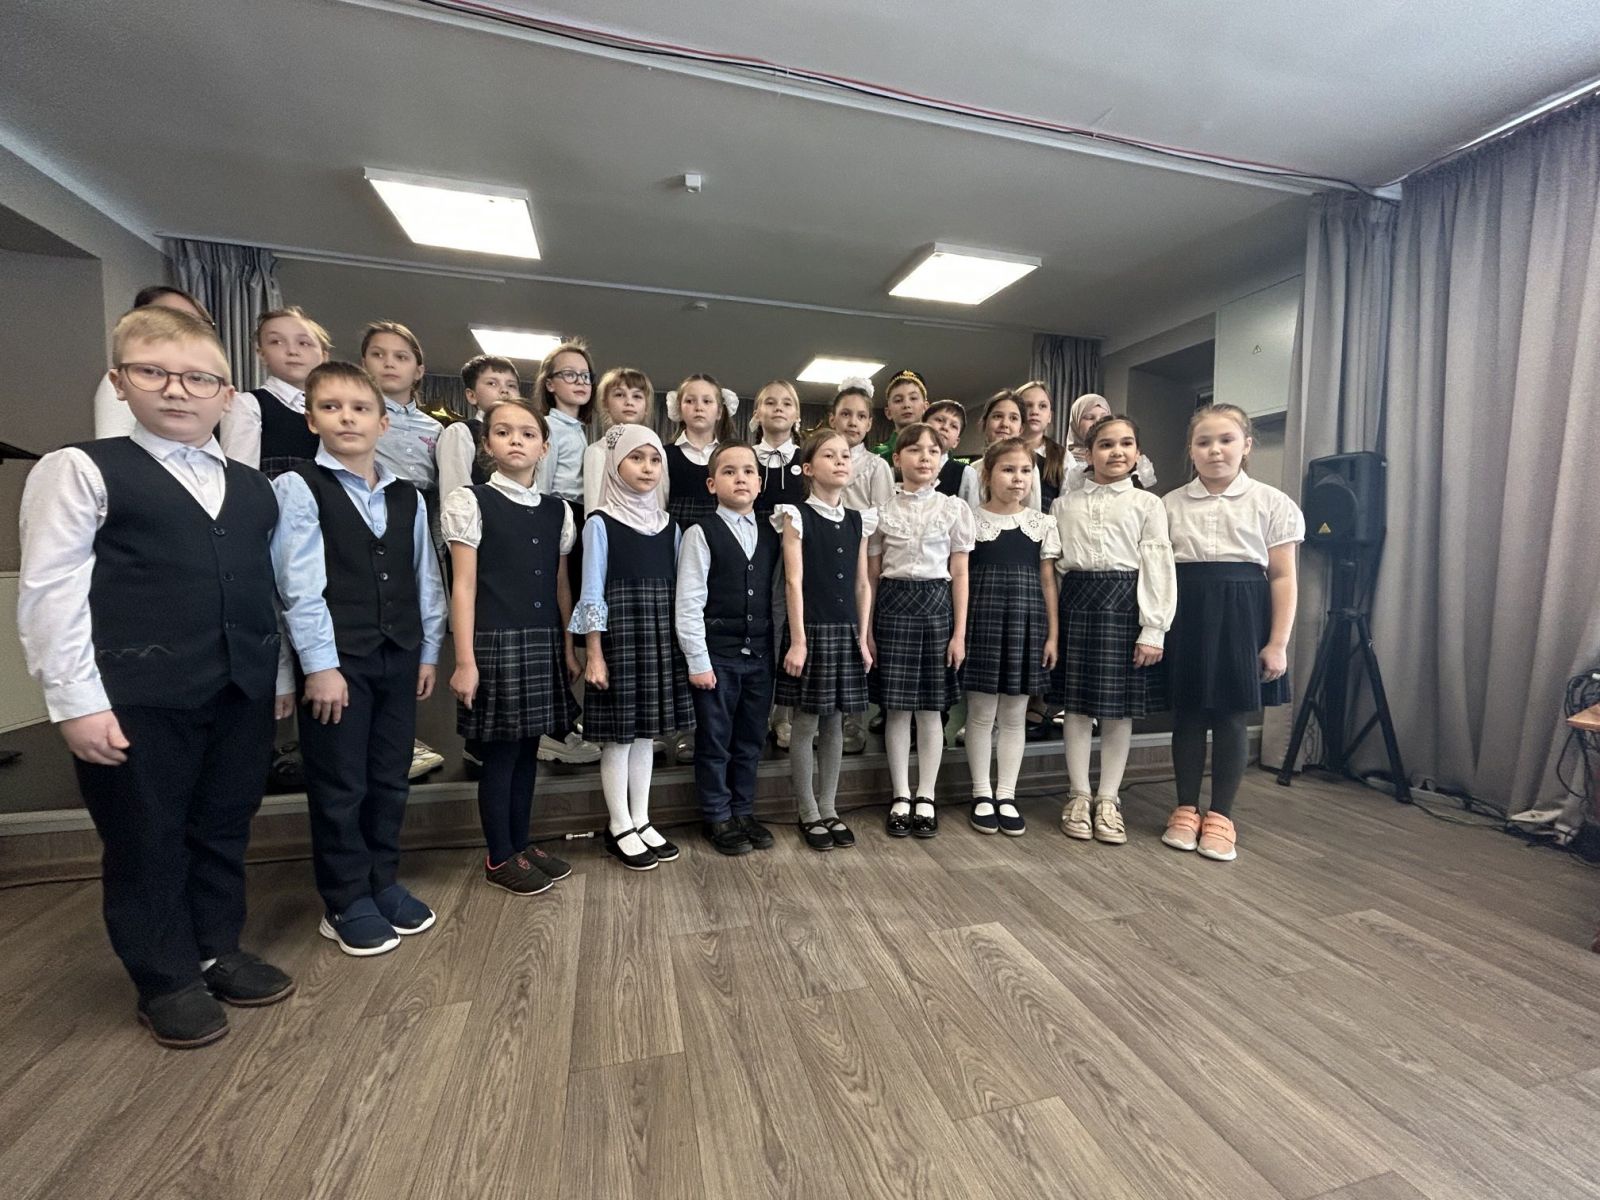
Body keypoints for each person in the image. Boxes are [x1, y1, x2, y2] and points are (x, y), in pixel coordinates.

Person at [21, 306, 295, 1046]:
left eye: (199, 379)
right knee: (146, 835)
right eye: (154, 373)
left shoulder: (253, 488)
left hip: (238, 689)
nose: (177, 390)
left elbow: (259, 591)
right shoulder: (80, 469)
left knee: (222, 825)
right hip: (135, 695)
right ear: (121, 381)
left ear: (226, 395)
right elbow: (51, 592)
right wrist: (73, 701)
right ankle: (165, 976)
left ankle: (216, 948)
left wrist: (274, 677)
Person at [272, 360, 446, 955]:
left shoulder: (408, 497)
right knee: (340, 783)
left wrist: (428, 651)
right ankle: (345, 897)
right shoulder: (298, 487)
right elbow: (297, 586)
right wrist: (319, 666)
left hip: (398, 653)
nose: (346, 418)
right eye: (331, 407)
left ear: (382, 422)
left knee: (390, 777)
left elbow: (425, 578)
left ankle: (382, 880)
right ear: (311, 418)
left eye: (360, 408)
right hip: (337, 662)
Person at [445, 398, 580, 894]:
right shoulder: (470, 501)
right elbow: (463, 587)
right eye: (503, 432)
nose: (516, 440)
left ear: (544, 447)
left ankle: (520, 843)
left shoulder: (557, 510)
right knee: (501, 755)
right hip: (496, 643)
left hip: (543, 640)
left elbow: (561, 586)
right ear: (487, 444)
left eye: (527, 433)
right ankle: (499, 856)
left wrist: (568, 647)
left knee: (528, 751)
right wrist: (465, 661)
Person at [1161, 403, 1302, 862]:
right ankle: (1185, 808)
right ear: (1191, 450)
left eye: (1226, 440)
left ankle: (1221, 814)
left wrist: (1277, 643)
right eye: (1203, 442)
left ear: (1246, 446)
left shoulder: (1272, 502)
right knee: (1186, 713)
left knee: (1230, 716)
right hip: (1186, 609)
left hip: (1244, 612)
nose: (1215, 450)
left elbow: (1283, 576)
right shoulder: (1169, 504)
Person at [569, 425, 694, 870]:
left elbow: (680, 590)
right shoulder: (600, 523)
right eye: (636, 458)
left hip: (658, 639)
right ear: (615, 464)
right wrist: (594, 653)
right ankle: (618, 822)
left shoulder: (670, 526)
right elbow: (590, 591)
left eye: (655, 459)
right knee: (618, 739)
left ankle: (641, 817)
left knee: (645, 735)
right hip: (620, 639)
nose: (647, 468)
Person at [1050, 415, 1175, 845]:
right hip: (1076, 603)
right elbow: (1056, 570)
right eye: (1105, 444)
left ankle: (1108, 797)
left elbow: (1158, 564)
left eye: (1126, 443)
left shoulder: (1148, 504)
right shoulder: (1064, 505)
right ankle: (1078, 794)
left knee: (1118, 710)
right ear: (1088, 452)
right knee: (1076, 708)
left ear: (1138, 452)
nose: (1117, 452)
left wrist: (1153, 629)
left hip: (1125, 605)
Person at [869, 422, 975, 838]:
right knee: (896, 709)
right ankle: (900, 794)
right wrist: (868, 630)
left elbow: (960, 574)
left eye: (934, 450)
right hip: (892, 607)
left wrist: (959, 633)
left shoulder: (953, 509)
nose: (925, 457)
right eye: (914, 450)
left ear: (943, 460)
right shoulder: (882, 512)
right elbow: (872, 575)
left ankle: (926, 795)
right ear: (897, 458)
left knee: (931, 711)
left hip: (936, 608)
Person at [774, 430, 875, 850]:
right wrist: (798, 640)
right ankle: (807, 810)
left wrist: (862, 639)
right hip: (811, 630)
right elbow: (793, 581)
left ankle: (830, 807)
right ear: (808, 468)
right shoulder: (796, 516)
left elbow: (862, 584)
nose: (839, 461)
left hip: (845, 631)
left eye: (845, 456)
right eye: (829, 456)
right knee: (806, 722)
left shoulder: (858, 520)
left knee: (835, 722)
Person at [676, 443, 779, 856]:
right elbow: (689, 601)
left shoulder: (772, 533)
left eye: (749, 471)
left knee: (751, 738)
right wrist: (697, 660)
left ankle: (743, 810)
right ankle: (717, 814)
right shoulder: (700, 533)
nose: (740, 478)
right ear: (711, 483)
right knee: (715, 739)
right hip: (717, 656)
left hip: (761, 657)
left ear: (760, 482)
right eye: (729, 471)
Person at [964, 438, 1060, 835]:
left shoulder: (1042, 524)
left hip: (1027, 622)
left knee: (1015, 715)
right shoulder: (970, 520)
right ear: (988, 475)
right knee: (981, 714)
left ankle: (1006, 793)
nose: (1017, 478)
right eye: (1008, 470)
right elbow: (960, 578)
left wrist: (1052, 635)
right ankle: (981, 792)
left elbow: (1048, 582)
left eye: (1025, 471)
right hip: (982, 622)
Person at [827, 376, 891, 755]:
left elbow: (882, 521)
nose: (853, 422)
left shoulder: (876, 467)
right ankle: (820, 715)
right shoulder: (821, 457)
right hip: (825, 556)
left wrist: (873, 568)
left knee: (858, 634)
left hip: (862, 558)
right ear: (832, 419)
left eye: (861, 416)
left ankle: (853, 720)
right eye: (846, 414)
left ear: (869, 424)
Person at [218, 306, 334, 476]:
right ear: (261, 354)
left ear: (324, 355)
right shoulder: (249, 405)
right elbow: (240, 478)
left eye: (304, 343)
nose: (292, 351)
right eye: (276, 342)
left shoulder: (336, 409)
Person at [92, 286, 216, 439]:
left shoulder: (214, 384)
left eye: (193, 321)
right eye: (168, 320)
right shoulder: (128, 381)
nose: (183, 328)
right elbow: (114, 448)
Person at [532, 340, 598, 584]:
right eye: (570, 374)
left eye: (585, 376)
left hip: (579, 513)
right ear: (550, 384)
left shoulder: (577, 429)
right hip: (559, 510)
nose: (580, 381)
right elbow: (542, 482)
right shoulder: (549, 426)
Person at [436, 354, 520, 499]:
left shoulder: (524, 437)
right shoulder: (460, 432)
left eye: (511, 385)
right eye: (492, 383)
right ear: (472, 396)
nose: (504, 390)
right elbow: (456, 494)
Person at [583, 366, 663, 516]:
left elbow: (660, 500)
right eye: (619, 395)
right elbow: (593, 507)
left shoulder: (657, 451)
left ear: (646, 406)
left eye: (637, 396)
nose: (629, 402)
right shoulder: (597, 451)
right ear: (605, 403)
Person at [659, 372, 735, 529]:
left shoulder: (731, 455)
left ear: (719, 412)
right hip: (677, 532)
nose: (699, 407)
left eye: (707, 401)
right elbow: (659, 506)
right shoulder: (664, 454)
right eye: (690, 401)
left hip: (722, 532)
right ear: (679, 409)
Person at [1065, 393, 1156, 491]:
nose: (1097, 422)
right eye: (1090, 418)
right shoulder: (1063, 459)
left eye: (1104, 417)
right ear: (1075, 422)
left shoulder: (1135, 463)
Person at [752, 379, 805, 517]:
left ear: (797, 415)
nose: (778, 408)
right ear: (756, 414)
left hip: (796, 530)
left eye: (787, 404)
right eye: (770, 403)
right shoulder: (745, 456)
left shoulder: (807, 458)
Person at [1015, 381, 1071, 511]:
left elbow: (1066, 504)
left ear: (1050, 416)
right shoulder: (1002, 453)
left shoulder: (1062, 457)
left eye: (1042, 406)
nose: (1035, 411)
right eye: (1028, 405)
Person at [923, 398, 982, 509]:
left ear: (956, 442)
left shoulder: (965, 473)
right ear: (922, 426)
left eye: (953, 426)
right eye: (939, 420)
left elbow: (971, 514)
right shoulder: (906, 463)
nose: (945, 427)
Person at [872, 367, 930, 462]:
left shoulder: (938, 450)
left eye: (913, 398)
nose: (906, 405)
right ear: (888, 412)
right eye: (898, 400)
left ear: (925, 407)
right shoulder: (878, 456)